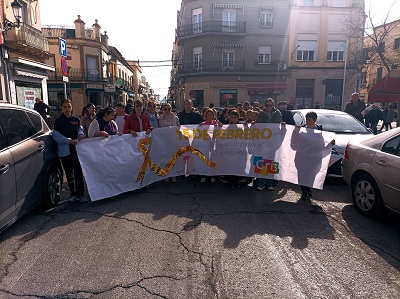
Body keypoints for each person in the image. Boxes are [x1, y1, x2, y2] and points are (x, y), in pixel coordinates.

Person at [52, 99, 86, 203]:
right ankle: (73, 193)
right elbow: (55, 135)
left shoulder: (76, 119)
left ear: (72, 107)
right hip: (65, 151)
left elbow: (80, 128)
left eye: (69, 107)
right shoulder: (58, 121)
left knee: (79, 172)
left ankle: (80, 194)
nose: (67, 109)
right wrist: (68, 141)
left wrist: (81, 134)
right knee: (69, 173)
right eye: (65, 107)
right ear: (62, 108)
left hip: (77, 150)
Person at [297, 111, 335, 200]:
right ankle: (304, 191)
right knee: (303, 174)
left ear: (314, 120)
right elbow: (295, 143)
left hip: (315, 157)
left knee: (311, 174)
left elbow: (323, 144)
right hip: (303, 157)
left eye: (309, 120)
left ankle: (308, 189)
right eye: (307, 119)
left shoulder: (320, 130)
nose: (307, 121)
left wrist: (330, 144)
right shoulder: (302, 130)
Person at [254, 98, 284, 191]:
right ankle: (261, 183)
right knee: (262, 162)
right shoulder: (261, 114)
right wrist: (254, 124)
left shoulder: (278, 114)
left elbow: (279, 126)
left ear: (273, 105)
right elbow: (257, 126)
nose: (268, 107)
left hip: (273, 142)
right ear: (264, 105)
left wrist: (282, 125)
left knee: (271, 162)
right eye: (267, 105)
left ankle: (269, 183)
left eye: (270, 105)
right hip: (262, 142)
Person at [158, 103, 180, 183]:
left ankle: (173, 174)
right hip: (165, 140)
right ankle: (166, 174)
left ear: (171, 109)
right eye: (165, 109)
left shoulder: (175, 117)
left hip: (173, 140)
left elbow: (178, 128)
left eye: (169, 109)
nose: (167, 111)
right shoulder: (161, 118)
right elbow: (160, 129)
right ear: (163, 110)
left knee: (173, 157)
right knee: (166, 157)